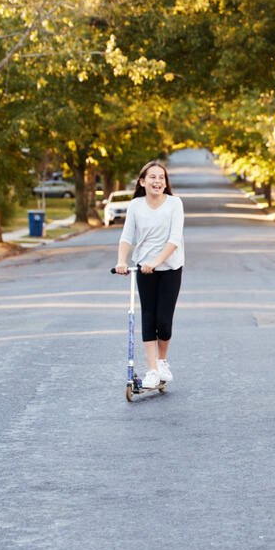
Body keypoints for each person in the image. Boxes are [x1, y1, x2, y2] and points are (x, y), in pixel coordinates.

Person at [114, 161, 185, 390]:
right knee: (148, 317)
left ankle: (163, 362)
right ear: (142, 182)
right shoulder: (135, 205)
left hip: (170, 268)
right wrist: (122, 261)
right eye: (152, 177)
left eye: (161, 178)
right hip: (144, 268)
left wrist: (155, 262)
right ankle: (152, 370)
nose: (158, 181)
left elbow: (174, 239)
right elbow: (127, 236)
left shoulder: (175, 203)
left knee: (164, 322)